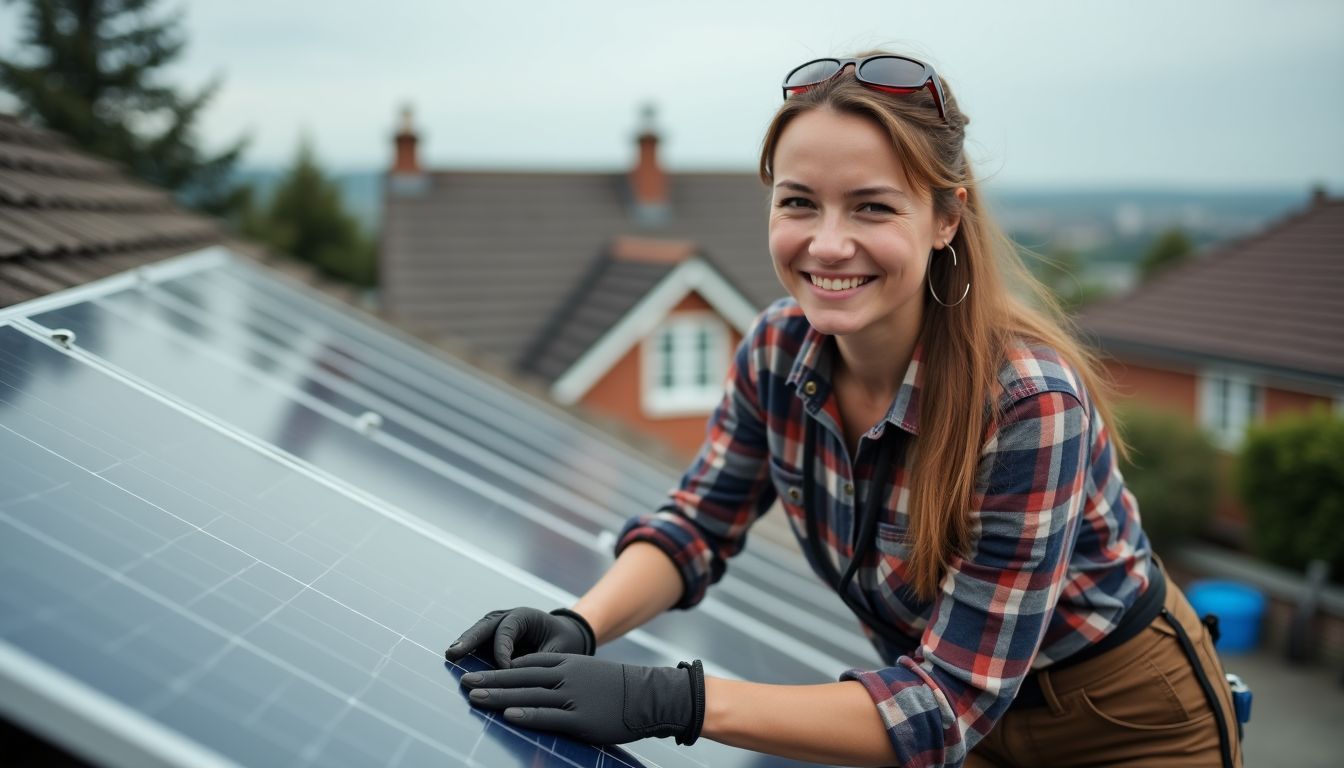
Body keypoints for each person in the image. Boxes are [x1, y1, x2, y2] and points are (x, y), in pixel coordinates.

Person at [446, 52, 1243, 768]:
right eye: (799, 202)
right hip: (963, 721)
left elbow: (945, 706)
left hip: (1126, 726)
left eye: (871, 207)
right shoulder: (773, 349)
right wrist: (579, 625)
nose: (827, 244)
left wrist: (671, 701)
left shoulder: (1029, 407)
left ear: (945, 218)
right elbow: (697, 526)